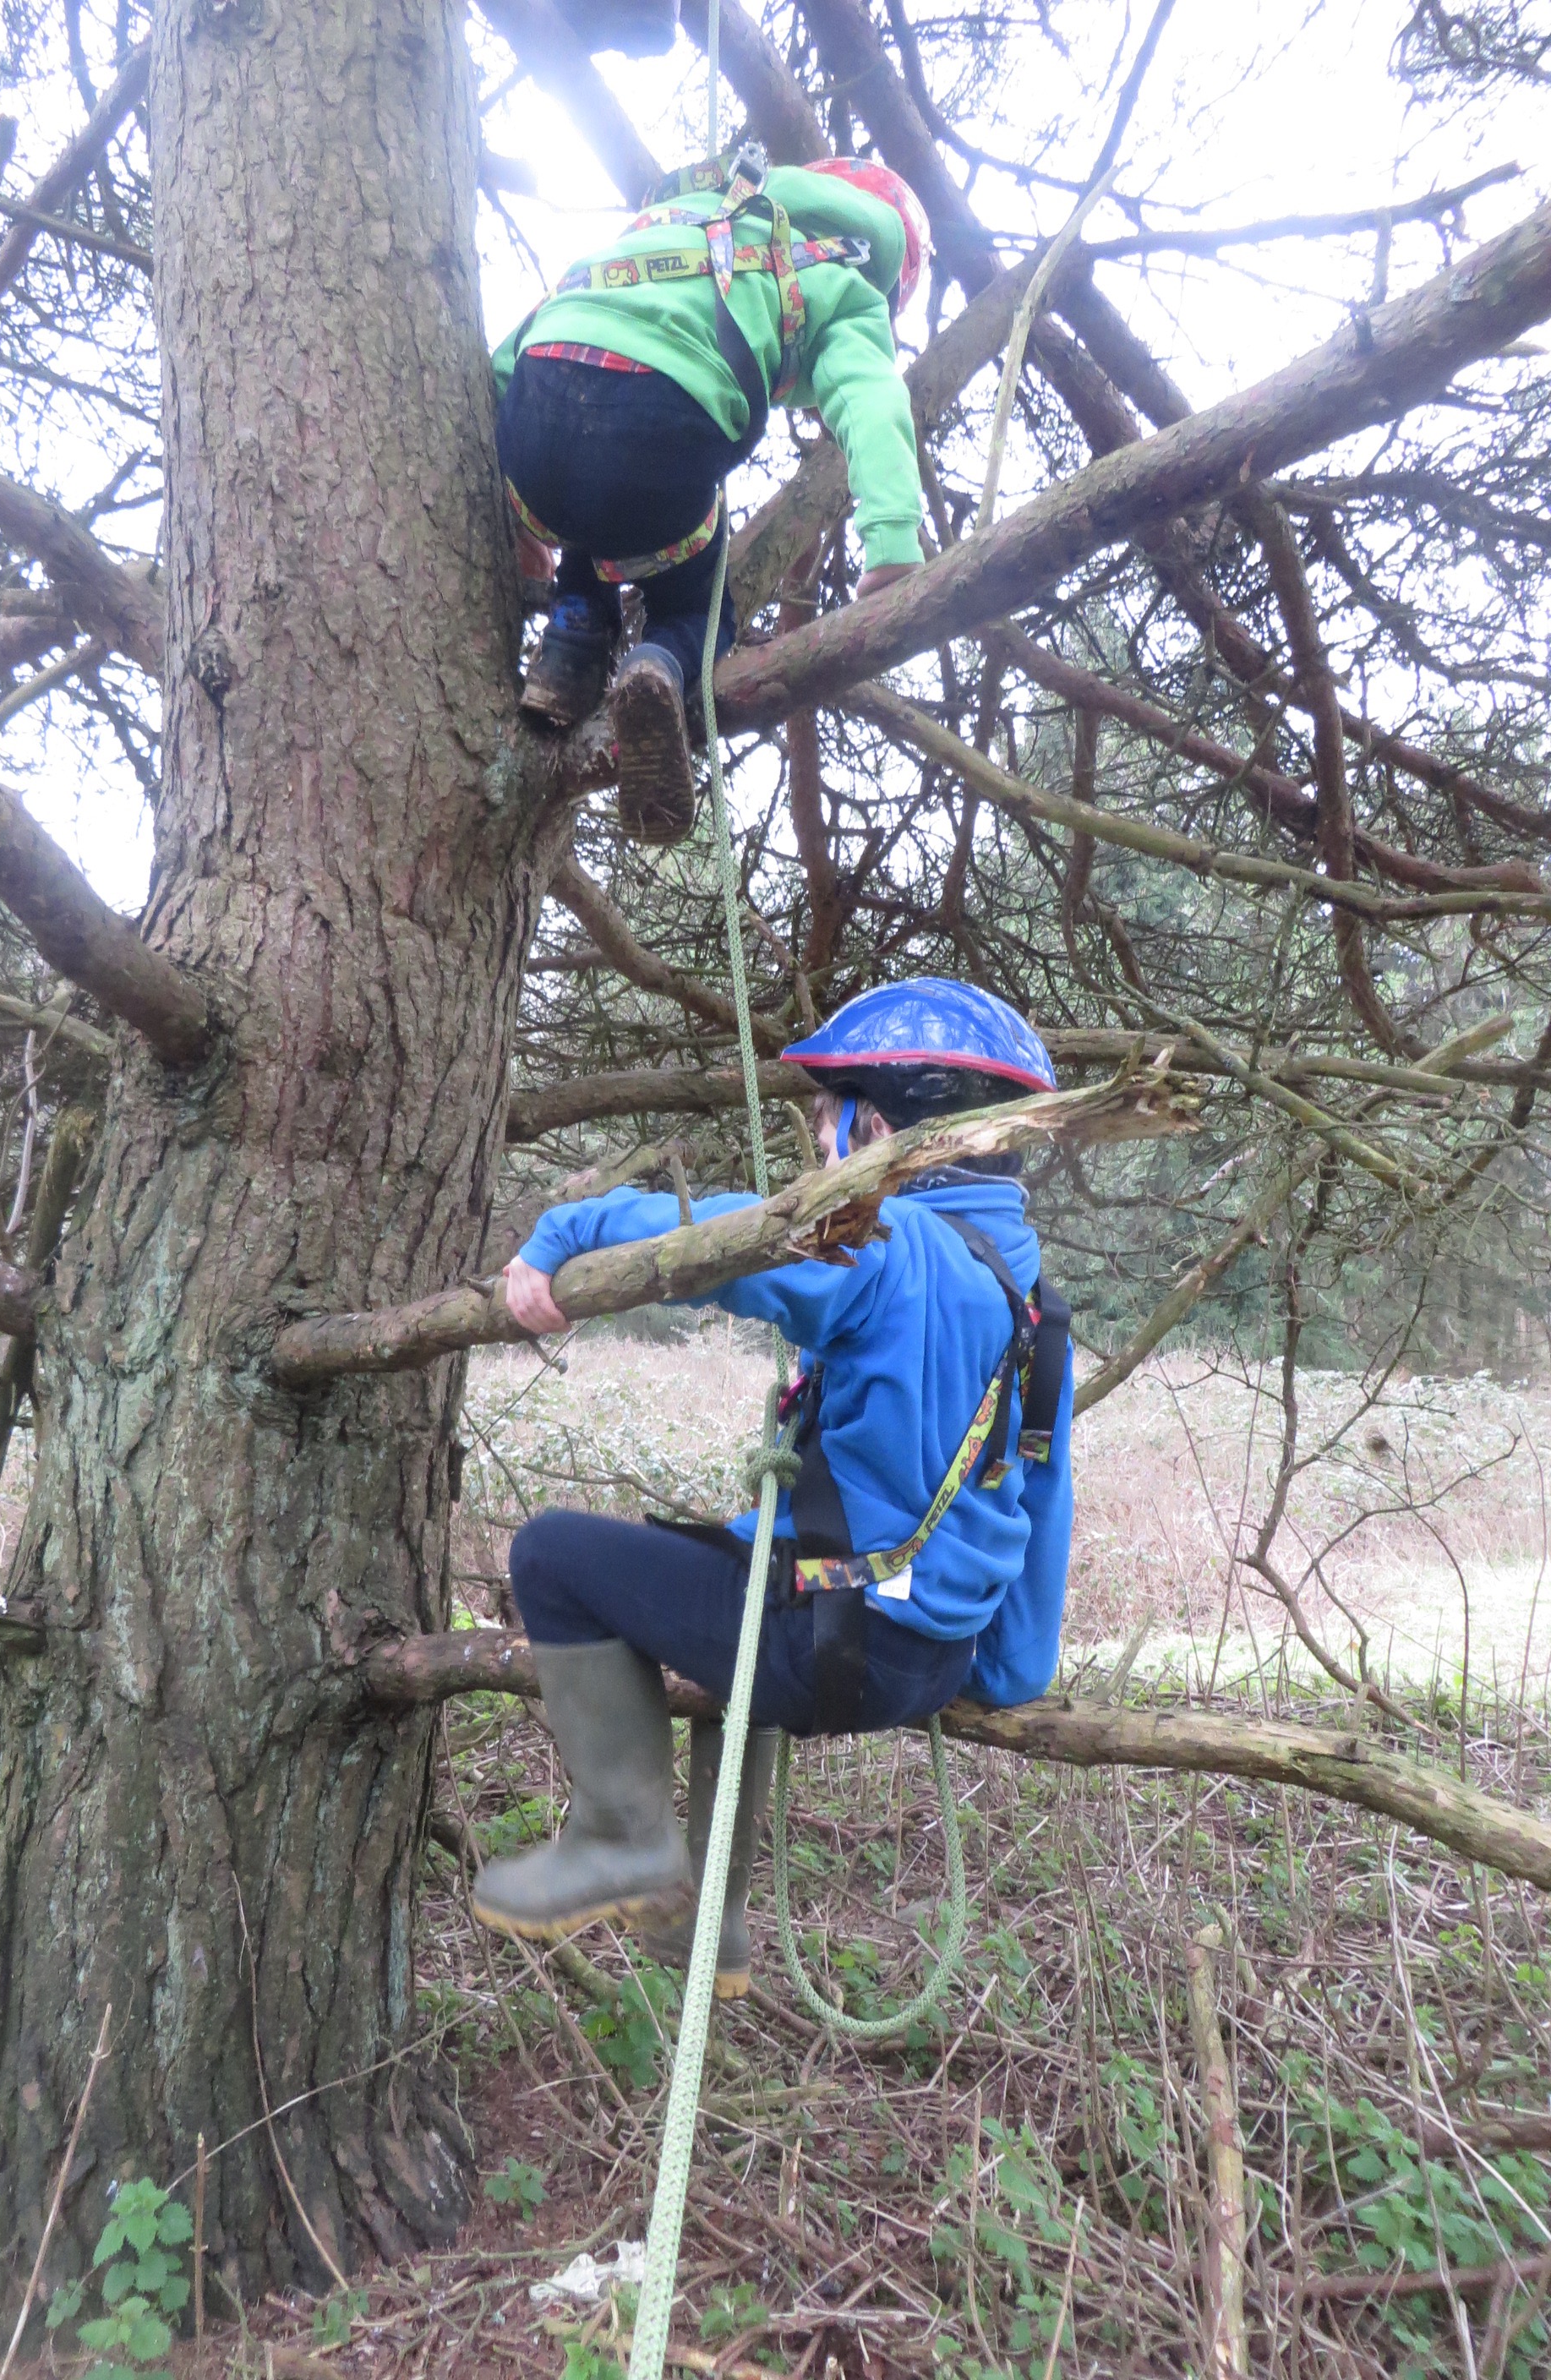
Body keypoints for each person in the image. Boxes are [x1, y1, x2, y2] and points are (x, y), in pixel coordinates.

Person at [470, 979, 1075, 1998]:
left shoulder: (882, 1242)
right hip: (935, 1657)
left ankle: (623, 1843)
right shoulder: (1037, 1303)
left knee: (553, 1555)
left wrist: (568, 1231)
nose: (820, 1150)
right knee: (739, 1561)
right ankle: (712, 1916)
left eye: (829, 1123)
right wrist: (1006, 1672)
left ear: (877, 1125)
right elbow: (1039, 1504)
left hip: (839, 1644)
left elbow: (733, 1237)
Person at [494, 149, 931, 843]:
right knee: (698, 598)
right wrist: (894, 542)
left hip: (534, 405)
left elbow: (532, 334)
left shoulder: (681, 213)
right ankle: (658, 668)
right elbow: (871, 399)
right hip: (659, 428)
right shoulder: (846, 277)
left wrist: (512, 502)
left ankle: (572, 645)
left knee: (602, 502)